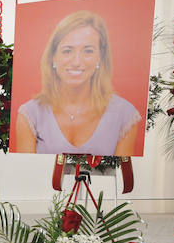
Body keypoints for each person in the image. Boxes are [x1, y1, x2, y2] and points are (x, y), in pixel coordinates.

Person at [14, 10, 140, 155]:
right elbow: (26, 173)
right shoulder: (30, 114)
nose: (76, 62)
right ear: (53, 57)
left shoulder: (125, 114)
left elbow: (121, 175)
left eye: (88, 51)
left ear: (100, 57)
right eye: (67, 51)